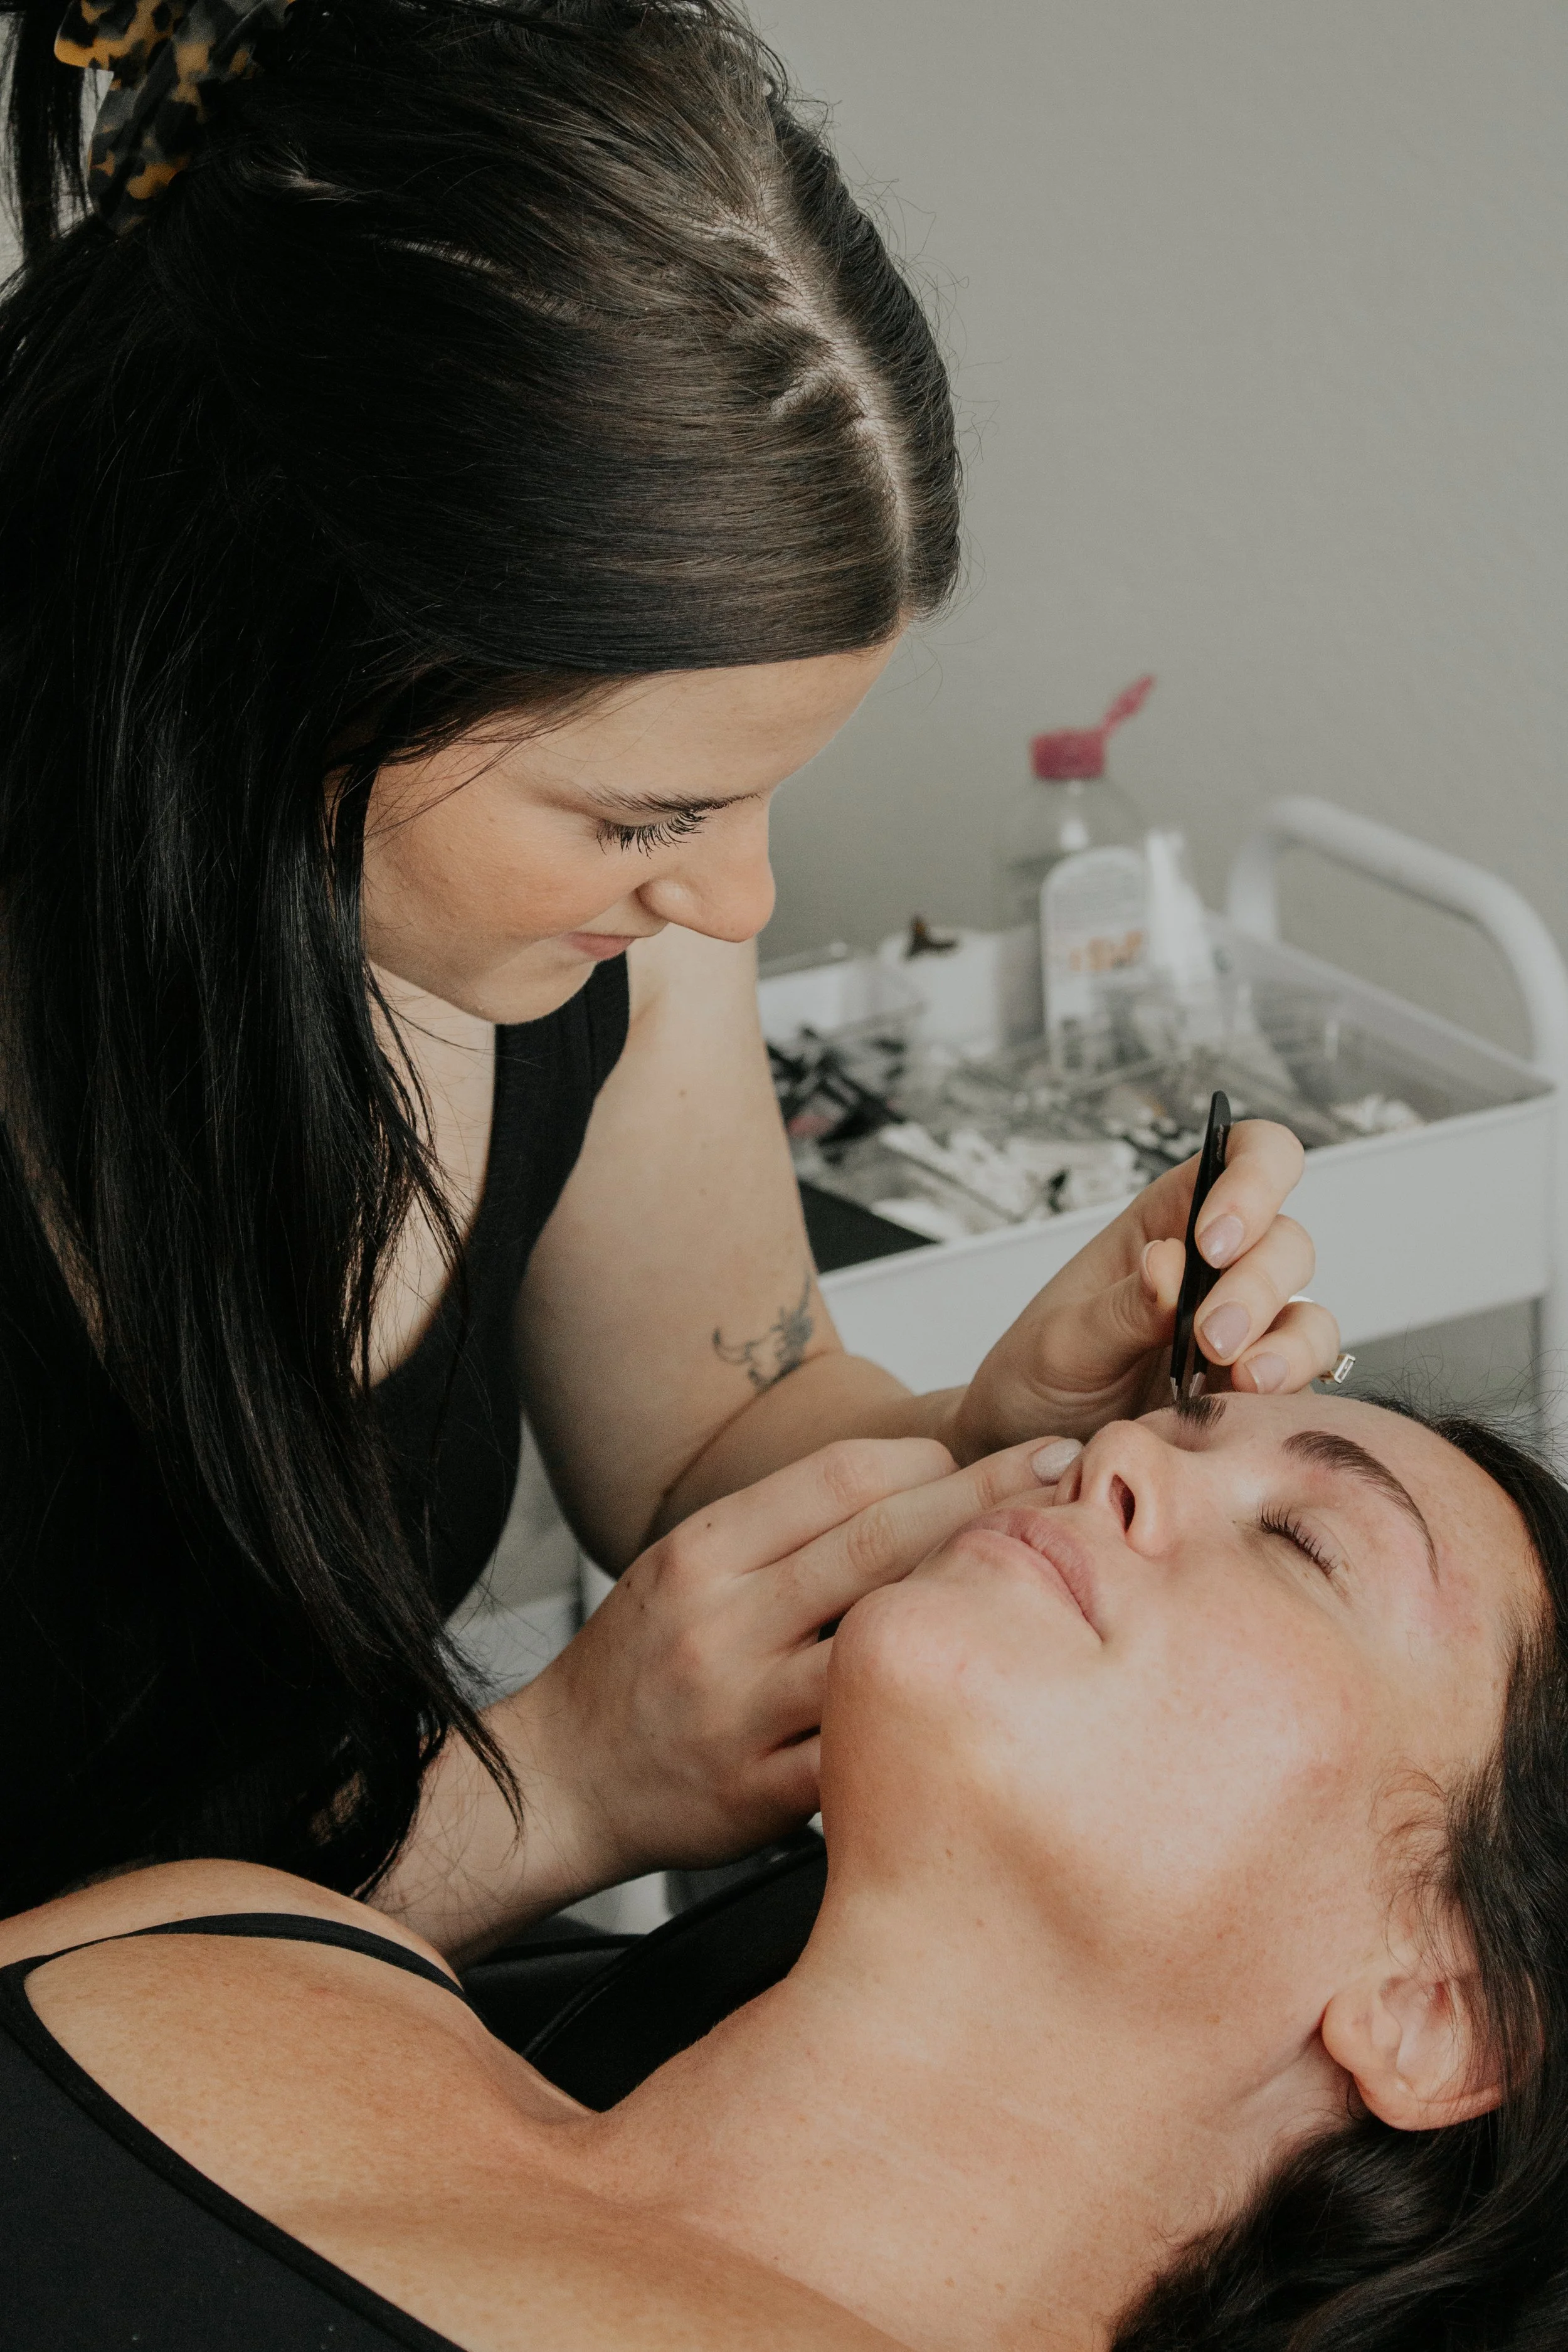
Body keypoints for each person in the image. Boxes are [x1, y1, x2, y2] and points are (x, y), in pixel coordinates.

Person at [0, 0, 1342, 1930]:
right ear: (250, 659)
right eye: (642, 818)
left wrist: (979, 1445)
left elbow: (709, 1441)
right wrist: (557, 1791)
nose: (734, 898)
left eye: (758, 798)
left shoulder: (605, 951)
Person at [5, 1385, 1567, 2351]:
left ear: (1436, 2012)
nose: (1114, 1467)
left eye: (1302, 1544)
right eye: (1157, 1426)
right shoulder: (249, 1938)